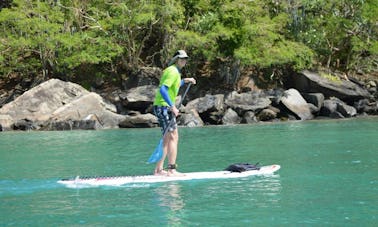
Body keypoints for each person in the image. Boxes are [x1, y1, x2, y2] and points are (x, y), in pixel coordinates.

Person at [153, 50, 196, 176]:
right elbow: (163, 89)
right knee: (172, 137)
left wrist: (185, 81)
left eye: (185, 59)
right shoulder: (172, 71)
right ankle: (170, 169)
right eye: (181, 58)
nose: (184, 61)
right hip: (163, 107)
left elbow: (175, 84)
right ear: (176, 59)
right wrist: (172, 106)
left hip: (163, 107)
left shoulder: (174, 71)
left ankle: (159, 170)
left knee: (169, 137)